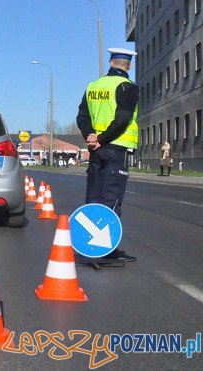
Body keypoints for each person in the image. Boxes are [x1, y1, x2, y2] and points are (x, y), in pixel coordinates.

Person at [76, 47, 139, 263]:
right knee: (111, 198)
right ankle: (107, 249)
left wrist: (90, 136)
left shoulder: (93, 86)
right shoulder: (127, 87)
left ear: (111, 62)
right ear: (128, 65)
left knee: (93, 195)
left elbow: (82, 115)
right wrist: (103, 138)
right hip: (115, 149)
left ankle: (89, 244)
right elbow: (122, 119)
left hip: (96, 150)